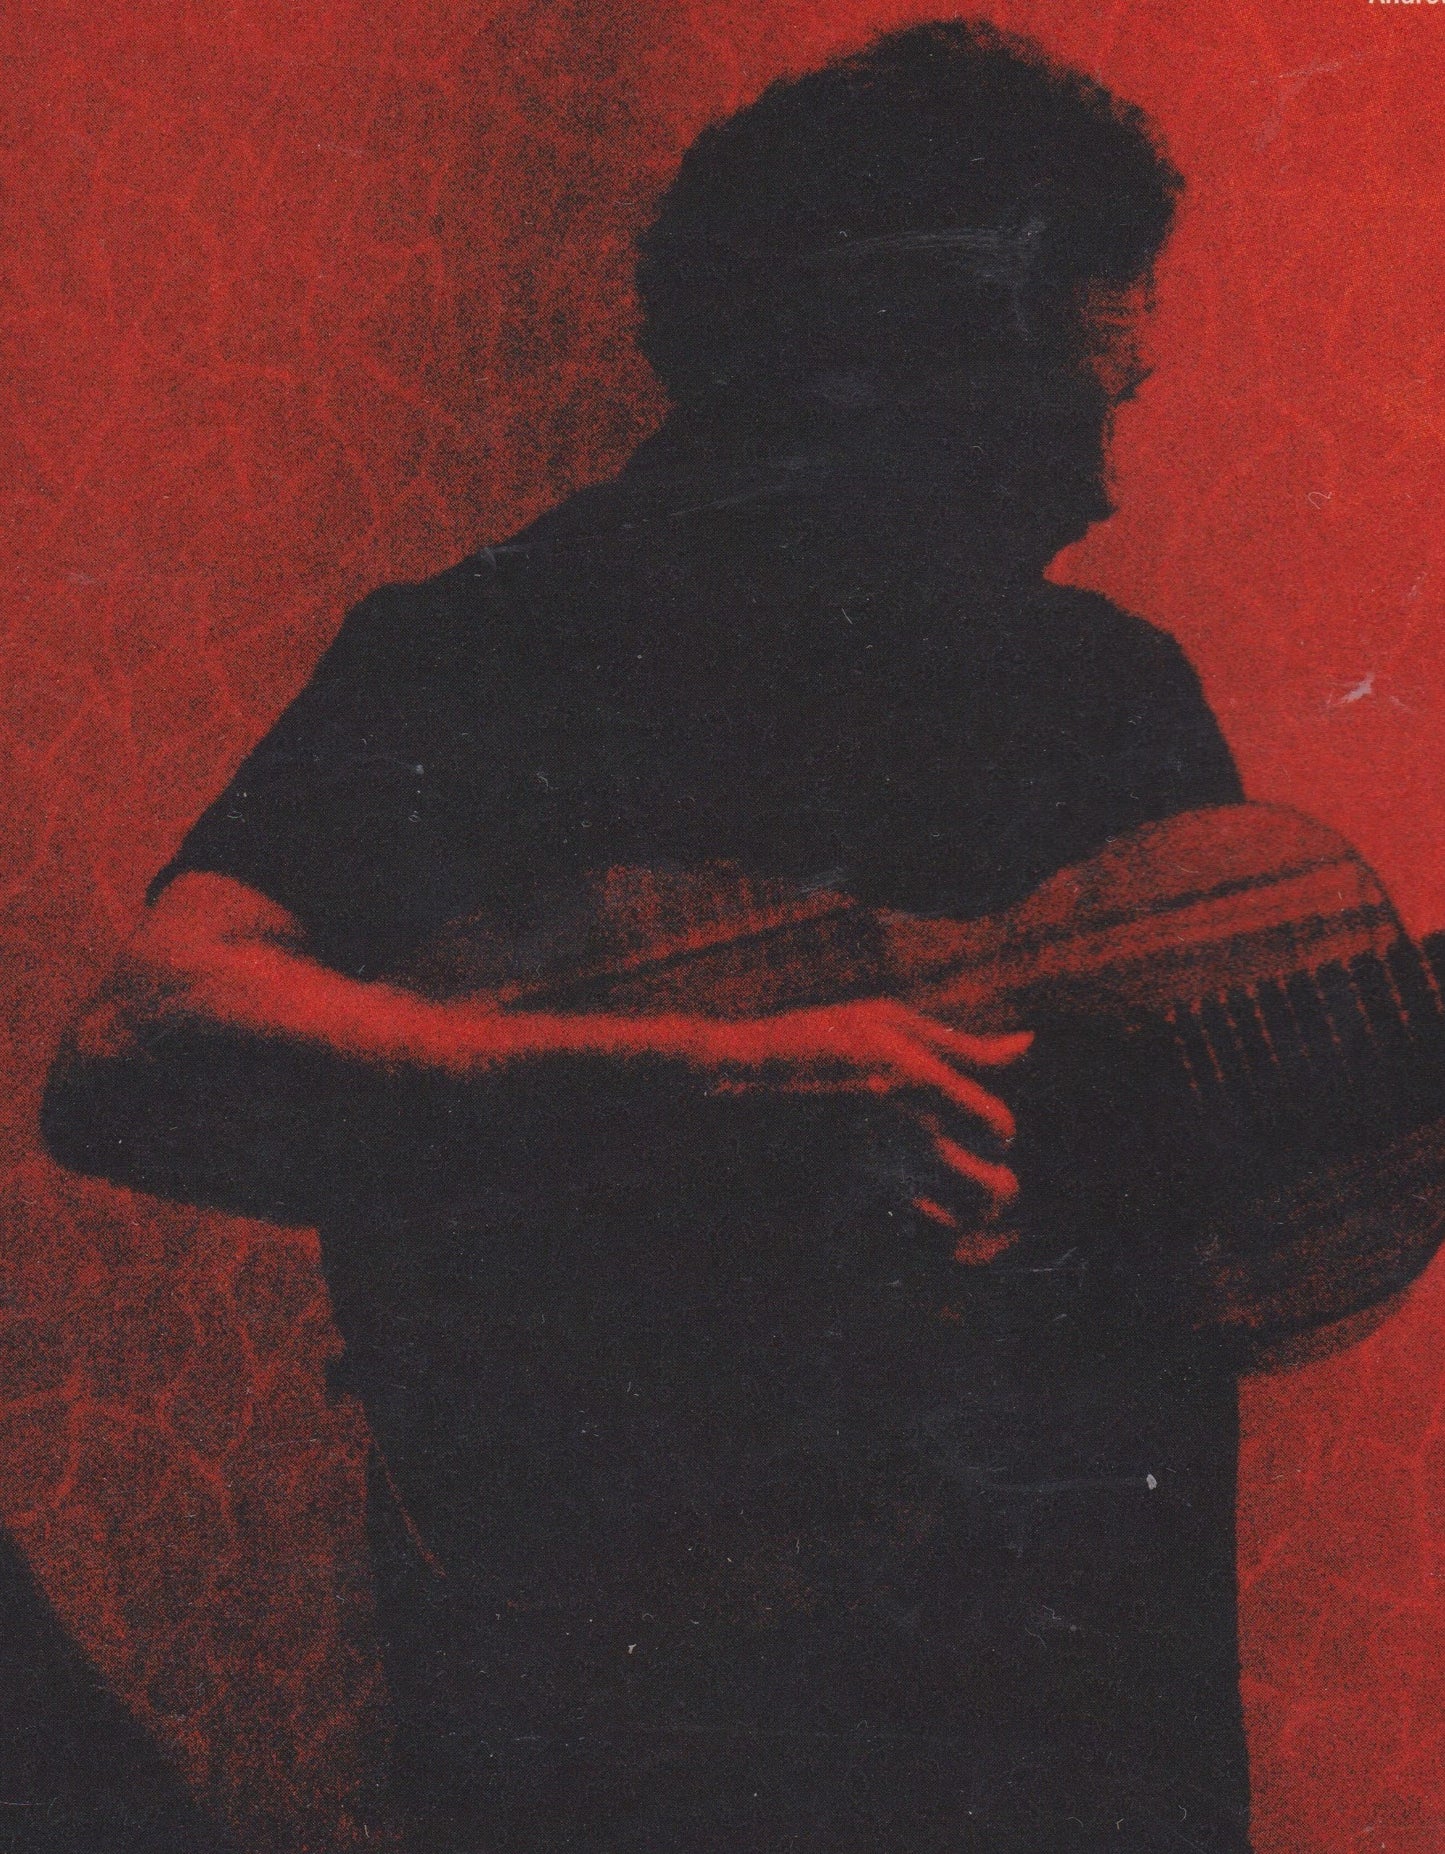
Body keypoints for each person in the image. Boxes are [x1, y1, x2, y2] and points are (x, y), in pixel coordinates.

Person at [43, 21, 1262, 1852]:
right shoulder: (489, 653)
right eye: (1084, 396)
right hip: (644, 1727)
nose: (1100, 482)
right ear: (909, 354)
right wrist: (715, 1078)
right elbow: (141, 1045)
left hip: (1077, 1729)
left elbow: (1211, 1182)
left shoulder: (1110, 691)